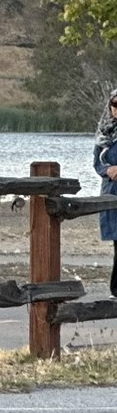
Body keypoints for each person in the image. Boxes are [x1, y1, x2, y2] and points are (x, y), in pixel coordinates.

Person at [96, 92, 117, 292]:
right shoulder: (104, 133)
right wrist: (107, 170)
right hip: (112, 190)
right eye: (114, 105)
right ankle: (116, 290)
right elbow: (97, 163)